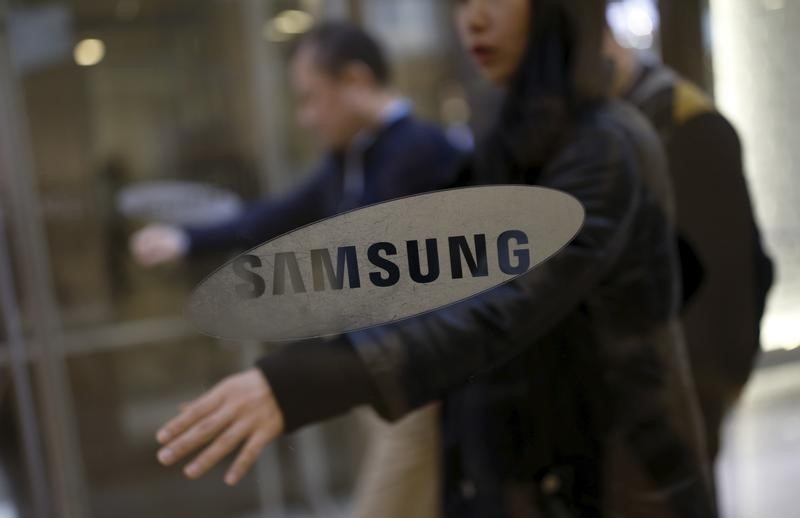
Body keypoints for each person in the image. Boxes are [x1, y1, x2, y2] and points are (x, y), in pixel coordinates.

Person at [153, 1, 716, 517]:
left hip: (611, 477)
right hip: (525, 463)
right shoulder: (507, 141)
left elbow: (502, 305)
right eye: (462, 1)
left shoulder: (601, 145)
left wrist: (303, 380)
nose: (472, 19)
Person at [130, 22, 465, 267]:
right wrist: (186, 239)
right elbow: (277, 215)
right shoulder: (352, 157)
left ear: (355, 79)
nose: (306, 118)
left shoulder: (418, 151)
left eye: (310, 98)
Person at [604, 29, 774, 463]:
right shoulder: (626, 117)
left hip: (684, 381)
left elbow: (726, 271)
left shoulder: (683, 120)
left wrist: (716, 380)